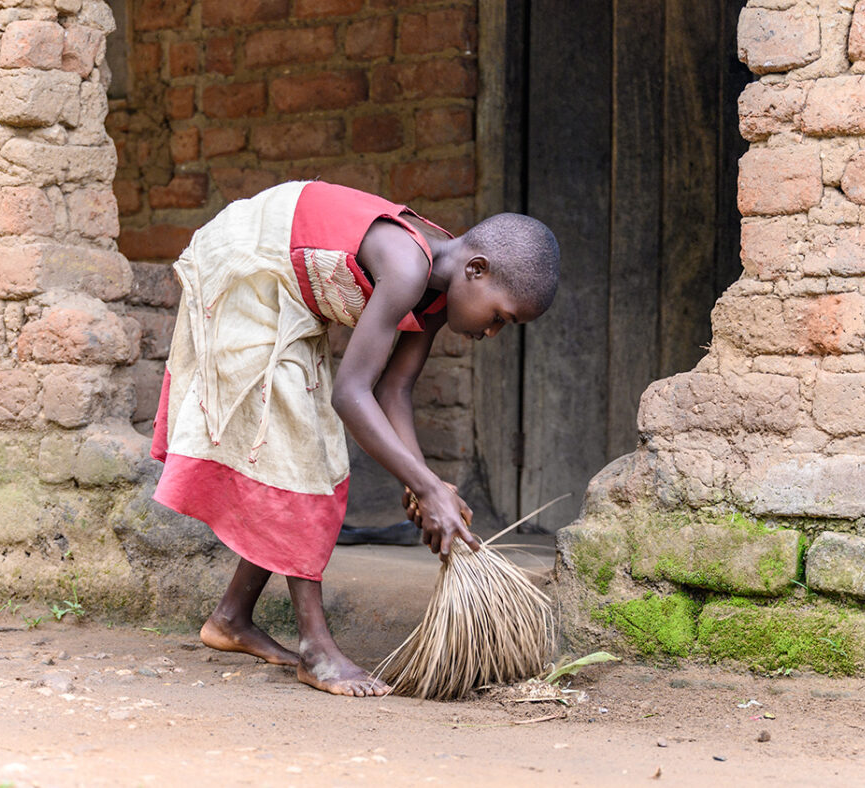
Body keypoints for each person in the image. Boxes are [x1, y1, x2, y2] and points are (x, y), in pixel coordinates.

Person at [149, 181, 560, 696]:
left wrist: (422, 483)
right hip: (247, 264)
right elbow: (351, 394)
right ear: (475, 270)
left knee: (296, 449)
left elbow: (395, 390)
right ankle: (316, 649)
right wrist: (428, 488)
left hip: (291, 295)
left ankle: (231, 618)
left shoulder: (436, 291)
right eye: (499, 316)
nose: (493, 332)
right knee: (305, 450)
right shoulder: (409, 266)